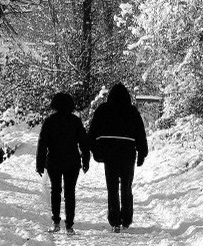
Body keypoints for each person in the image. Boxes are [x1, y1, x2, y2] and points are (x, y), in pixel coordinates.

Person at [88, 83, 148, 233]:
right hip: (128, 154)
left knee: (112, 187)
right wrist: (142, 153)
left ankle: (114, 220)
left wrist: (94, 151)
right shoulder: (132, 111)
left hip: (110, 154)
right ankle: (126, 219)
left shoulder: (103, 110)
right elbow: (140, 134)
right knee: (126, 187)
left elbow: (93, 132)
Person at [36, 92, 90, 234]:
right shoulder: (75, 121)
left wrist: (39, 164)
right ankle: (69, 225)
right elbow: (84, 143)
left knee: (55, 191)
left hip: (54, 161)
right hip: (72, 161)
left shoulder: (49, 121)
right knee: (70, 192)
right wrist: (86, 161)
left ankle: (55, 222)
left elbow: (42, 143)